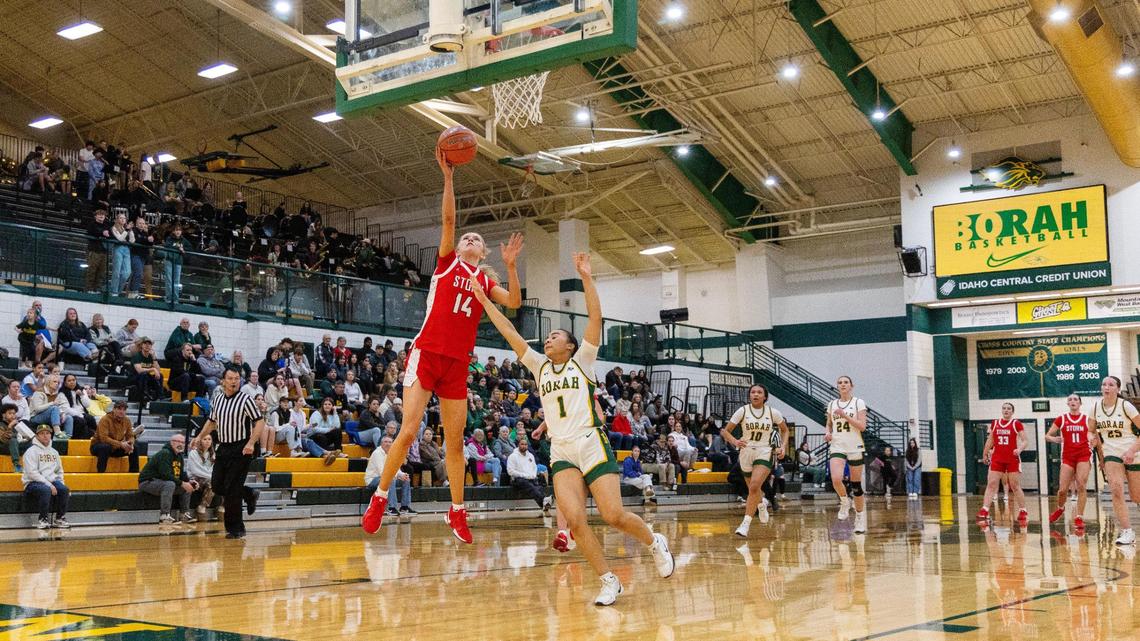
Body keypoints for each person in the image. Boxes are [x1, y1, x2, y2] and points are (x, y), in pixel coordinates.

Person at [470, 252, 673, 605]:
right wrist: (485, 299)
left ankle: (655, 542)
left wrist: (586, 277)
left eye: (554, 337)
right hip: (562, 449)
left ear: (570, 345)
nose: (547, 341)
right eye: (546, 338)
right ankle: (609, 580)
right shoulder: (538, 366)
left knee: (613, 516)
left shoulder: (583, 363)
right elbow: (508, 331)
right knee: (576, 521)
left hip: (591, 443)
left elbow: (596, 317)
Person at [361, 145, 524, 543]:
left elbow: (516, 303)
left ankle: (457, 511)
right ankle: (380, 498)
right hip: (427, 354)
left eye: (475, 239)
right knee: (409, 428)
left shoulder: (486, 281)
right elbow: (449, 218)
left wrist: (513, 267)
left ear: (483, 253)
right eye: (466, 236)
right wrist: (449, 176)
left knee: (455, 443)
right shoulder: (447, 262)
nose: (468, 238)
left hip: (457, 365)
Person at [193, 367, 264, 539]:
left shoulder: (246, 399)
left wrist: (251, 443)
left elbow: (260, 422)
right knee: (217, 485)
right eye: (231, 378)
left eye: (237, 378)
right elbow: (211, 422)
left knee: (232, 490)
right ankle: (248, 493)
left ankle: (236, 529)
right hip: (223, 447)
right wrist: (199, 436)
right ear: (223, 381)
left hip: (242, 448)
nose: (234, 381)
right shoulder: (217, 400)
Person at [722, 384, 789, 537]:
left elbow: (784, 430)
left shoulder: (773, 412)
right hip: (746, 451)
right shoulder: (743, 411)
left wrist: (783, 447)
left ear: (765, 396)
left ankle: (745, 524)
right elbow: (725, 431)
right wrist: (735, 441)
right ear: (749, 395)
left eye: (759, 392)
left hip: (764, 451)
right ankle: (761, 504)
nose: (756, 394)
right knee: (754, 490)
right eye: (753, 392)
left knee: (753, 486)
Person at [1089, 376, 1140, 545]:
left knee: (1136, 496)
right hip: (1111, 452)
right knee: (1116, 490)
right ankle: (1127, 532)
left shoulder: (1126, 406)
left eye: (1111, 384)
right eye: (1104, 384)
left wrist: (1132, 450)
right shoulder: (1095, 407)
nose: (1106, 387)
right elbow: (1091, 431)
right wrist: (1093, 439)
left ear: (1118, 389)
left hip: (1132, 450)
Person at [825, 376, 869, 533]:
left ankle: (859, 517)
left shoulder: (858, 402)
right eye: (840, 382)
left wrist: (844, 415)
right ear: (837, 386)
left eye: (846, 382)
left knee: (856, 486)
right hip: (837, 445)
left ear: (851, 386)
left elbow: (862, 426)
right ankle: (844, 501)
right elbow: (829, 423)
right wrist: (827, 432)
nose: (843, 385)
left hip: (855, 445)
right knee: (836, 479)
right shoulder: (832, 404)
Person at [1046, 393, 1094, 529]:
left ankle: (1079, 517)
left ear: (1080, 403)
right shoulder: (1061, 419)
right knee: (1062, 490)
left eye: (1075, 399)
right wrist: (1053, 438)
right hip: (1067, 456)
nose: (1073, 401)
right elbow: (1047, 435)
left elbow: (1094, 436)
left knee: (1081, 485)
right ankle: (1060, 508)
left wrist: (1093, 440)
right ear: (1067, 403)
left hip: (1084, 454)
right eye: (1070, 400)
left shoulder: (1087, 419)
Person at [977, 402, 1028, 526]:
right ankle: (985, 509)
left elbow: (1025, 440)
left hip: (1012, 458)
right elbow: (991, 440)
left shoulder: (1016, 423)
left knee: (1014, 485)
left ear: (1012, 411)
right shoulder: (995, 423)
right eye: (1004, 408)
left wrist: (1019, 449)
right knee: (992, 484)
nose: (1006, 410)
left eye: (1009, 408)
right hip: (997, 458)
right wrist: (984, 453)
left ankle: (1023, 510)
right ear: (1001, 410)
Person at [138, 433, 196, 524]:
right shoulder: (165, 453)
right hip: (147, 482)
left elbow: (180, 474)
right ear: (171, 442)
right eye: (177, 441)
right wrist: (182, 483)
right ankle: (164, 516)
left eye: (182, 442)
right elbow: (165, 474)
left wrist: (189, 481)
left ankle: (184, 514)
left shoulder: (179, 455)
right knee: (170, 484)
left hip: (162, 483)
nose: (180, 444)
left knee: (187, 486)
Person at [22, 425, 70, 529]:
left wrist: (61, 483)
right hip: (32, 482)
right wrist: (49, 485)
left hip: (51, 481)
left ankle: (60, 518)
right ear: (37, 436)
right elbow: (32, 473)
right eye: (42, 433)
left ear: (51, 435)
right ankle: (43, 519)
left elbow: (59, 471)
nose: (45, 436)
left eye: (47, 433)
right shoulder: (31, 451)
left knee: (64, 490)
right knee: (45, 490)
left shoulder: (54, 452)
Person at [365, 436, 414, 515]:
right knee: (390, 480)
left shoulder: (392, 453)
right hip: (372, 480)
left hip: (386, 477)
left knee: (406, 479)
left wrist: (402, 475)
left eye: (390, 442)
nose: (388, 444)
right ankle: (392, 507)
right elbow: (382, 472)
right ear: (381, 444)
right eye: (385, 442)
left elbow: (397, 469)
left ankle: (405, 507)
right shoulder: (377, 453)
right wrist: (397, 476)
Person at [92, 401, 140, 473]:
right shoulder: (105, 419)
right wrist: (121, 444)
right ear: (114, 409)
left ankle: (134, 474)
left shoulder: (127, 420)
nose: (122, 412)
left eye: (124, 410)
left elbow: (130, 435)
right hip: (98, 446)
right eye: (119, 409)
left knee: (134, 448)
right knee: (105, 447)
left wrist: (130, 443)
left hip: (116, 447)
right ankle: (100, 473)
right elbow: (104, 438)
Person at [508, 436, 551, 513]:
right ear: (518, 445)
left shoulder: (530, 456)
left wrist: (533, 475)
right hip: (516, 479)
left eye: (525, 444)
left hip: (529, 478)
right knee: (528, 484)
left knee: (537, 484)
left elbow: (534, 467)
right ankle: (544, 500)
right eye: (522, 444)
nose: (524, 446)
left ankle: (543, 504)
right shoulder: (513, 456)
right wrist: (524, 475)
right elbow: (510, 471)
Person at [187, 433, 220, 520]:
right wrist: (212, 477)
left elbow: (214, 470)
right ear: (200, 441)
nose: (207, 441)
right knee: (212, 482)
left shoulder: (213, 454)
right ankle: (201, 507)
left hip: (208, 478)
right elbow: (196, 470)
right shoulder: (193, 453)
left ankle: (221, 508)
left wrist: (213, 477)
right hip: (195, 479)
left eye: (209, 439)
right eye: (204, 439)